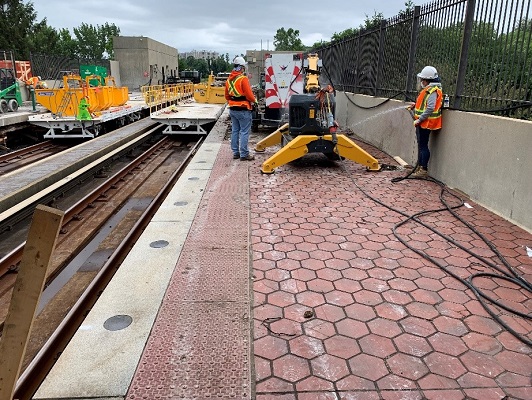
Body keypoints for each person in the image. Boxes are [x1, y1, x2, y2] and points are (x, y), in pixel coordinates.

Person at [409, 65, 443, 177]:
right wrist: (415, 106)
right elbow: (424, 104)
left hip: (426, 123)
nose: (422, 81)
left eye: (423, 79)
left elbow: (430, 108)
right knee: (421, 144)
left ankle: (423, 169)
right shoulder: (429, 90)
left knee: (423, 145)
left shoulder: (432, 91)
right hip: (422, 122)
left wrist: (419, 120)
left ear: (427, 80)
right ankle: (419, 166)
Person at [225, 56, 257, 161]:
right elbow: (249, 95)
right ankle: (244, 154)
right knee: (244, 132)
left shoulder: (229, 80)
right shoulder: (243, 79)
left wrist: (233, 101)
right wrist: (255, 101)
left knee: (235, 130)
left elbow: (226, 96)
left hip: (233, 109)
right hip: (243, 109)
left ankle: (235, 152)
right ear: (242, 68)